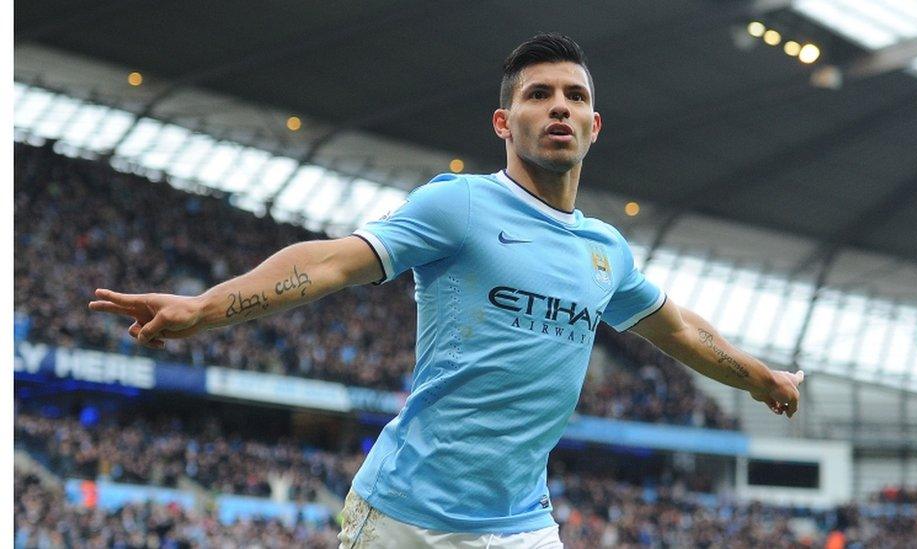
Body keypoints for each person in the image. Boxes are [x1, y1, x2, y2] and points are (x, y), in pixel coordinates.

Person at [90, 33, 804, 548]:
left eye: (574, 97)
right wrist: (205, 308)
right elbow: (333, 261)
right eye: (539, 95)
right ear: (504, 122)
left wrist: (760, 377)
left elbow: (677, 330)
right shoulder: (459, 206)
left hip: (523, 524)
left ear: (594, 127)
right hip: (404, 518)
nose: (559, 107)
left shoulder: (605, 252)